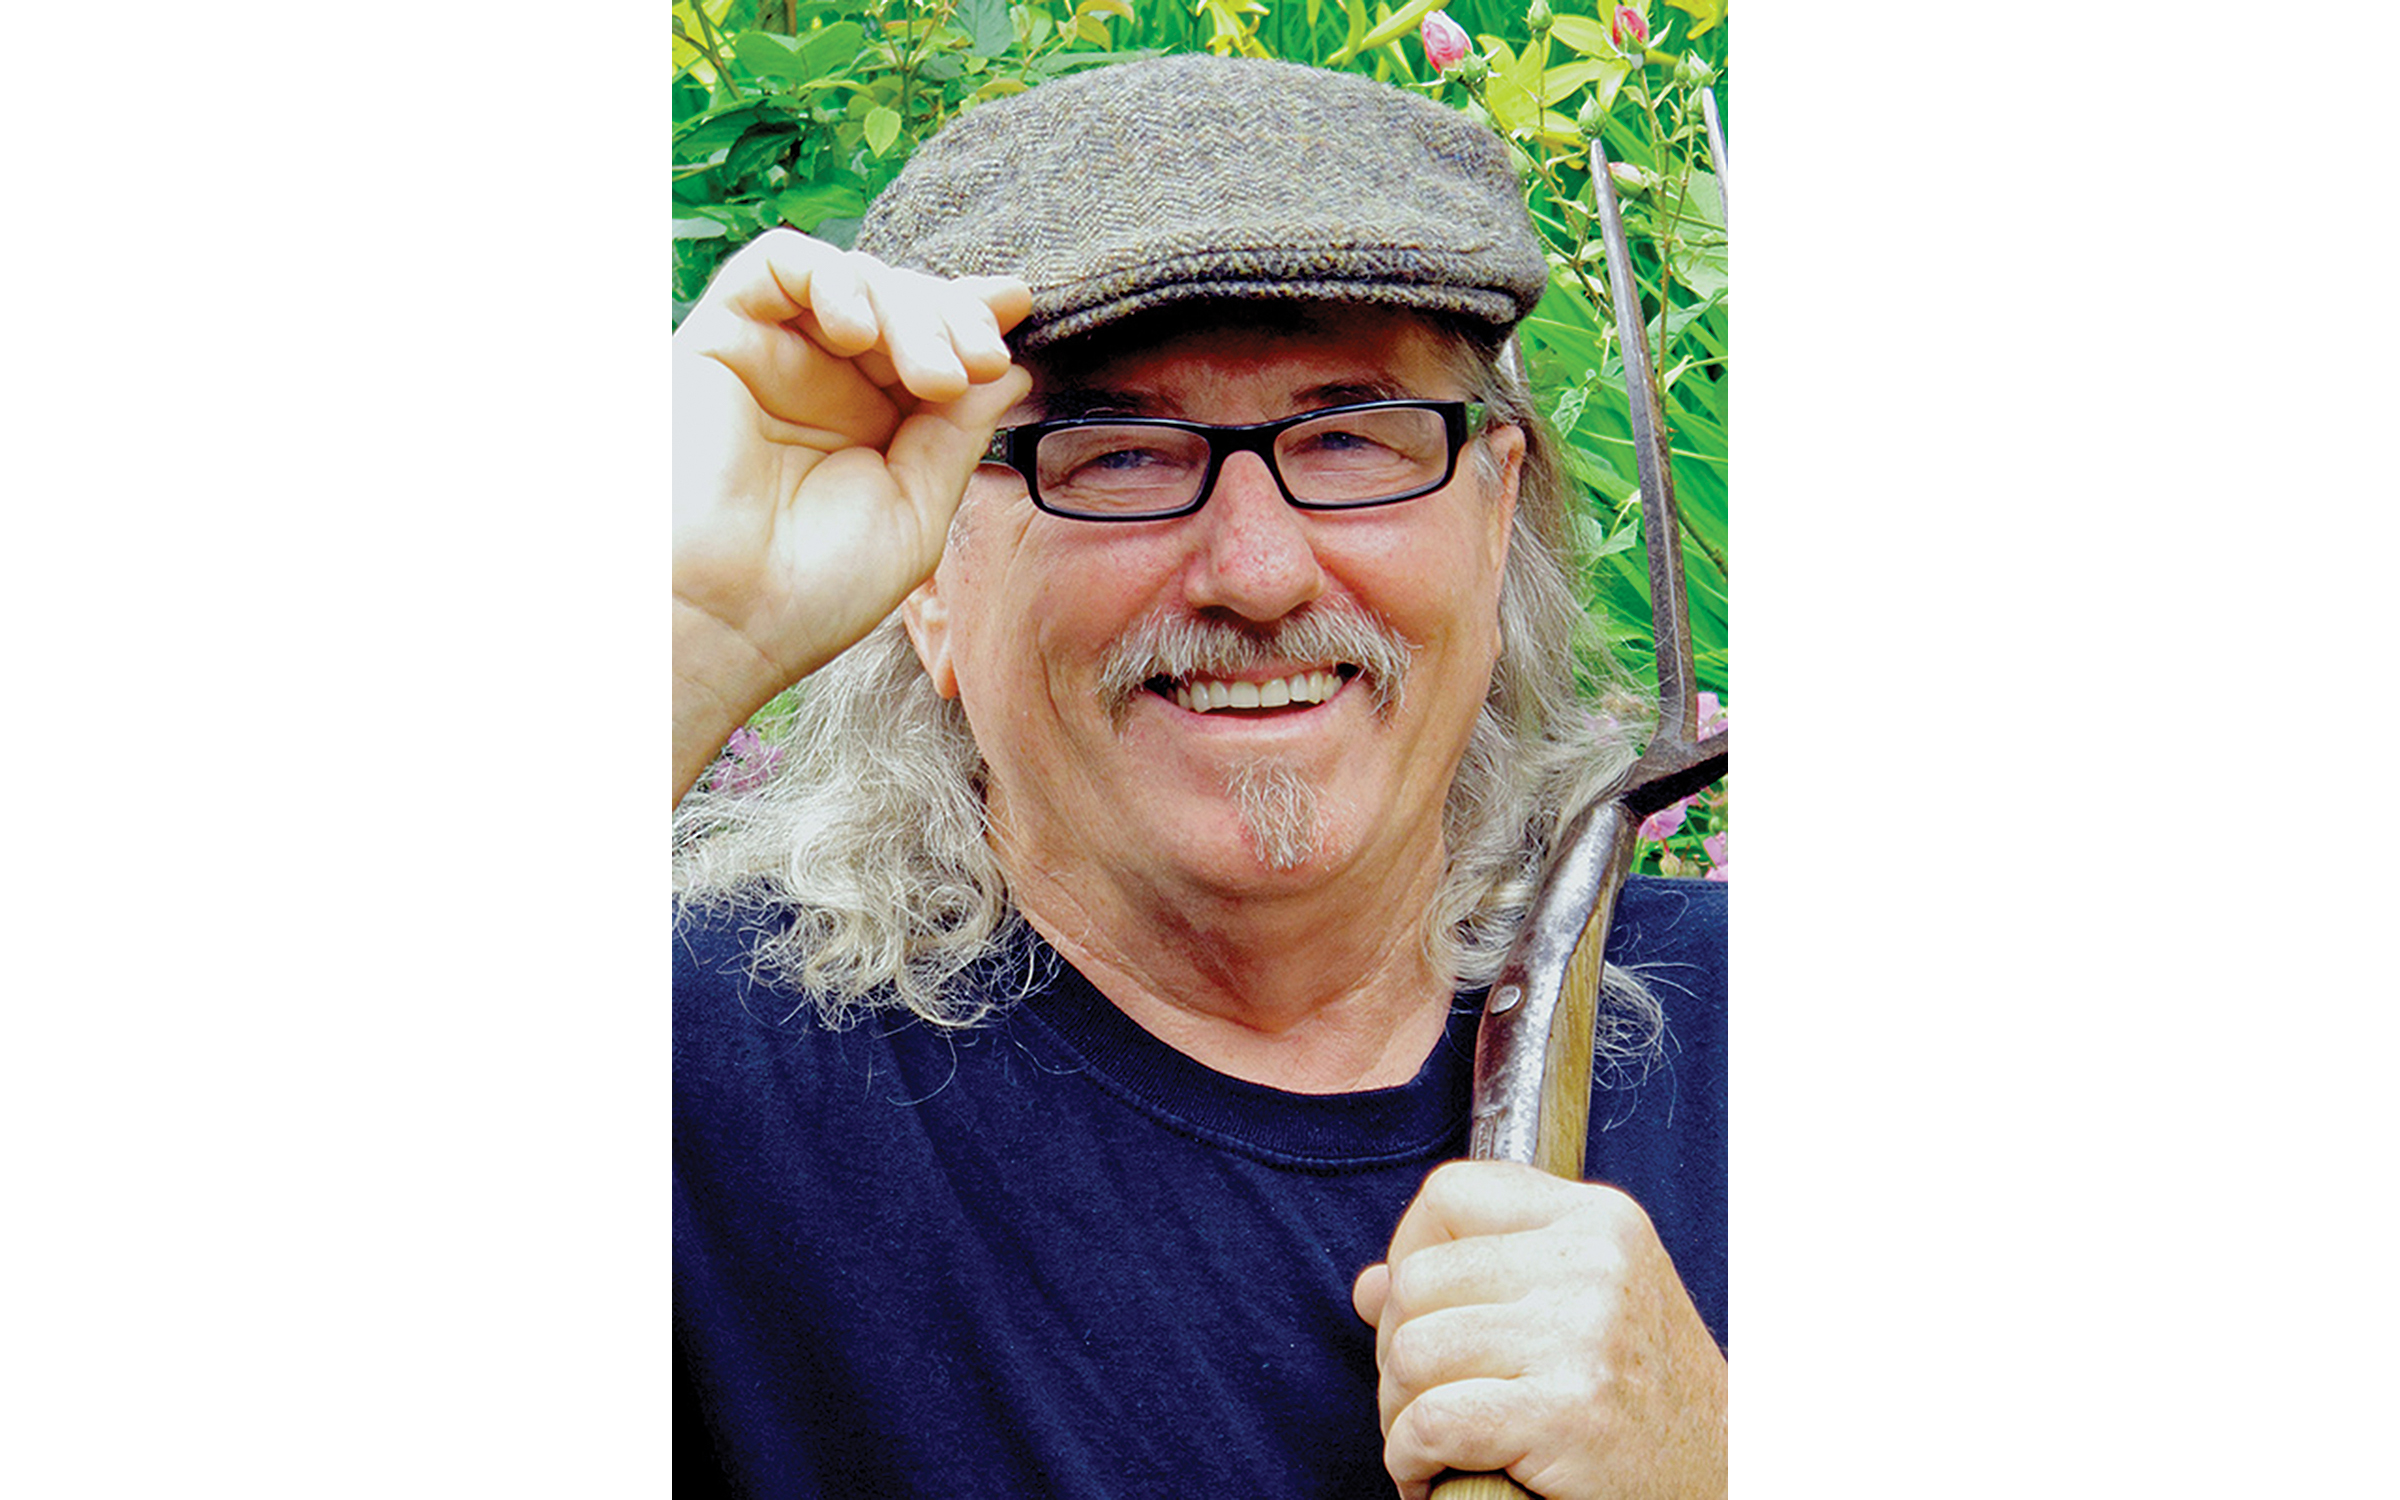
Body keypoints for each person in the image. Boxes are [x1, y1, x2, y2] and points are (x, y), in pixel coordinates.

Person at [671, 53, 1727, 1499]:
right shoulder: (704, 1090)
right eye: (1116, 456)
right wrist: (679, 640)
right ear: (926, 584)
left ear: (1494, 523)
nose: (1259, 570)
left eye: (1350, 439)